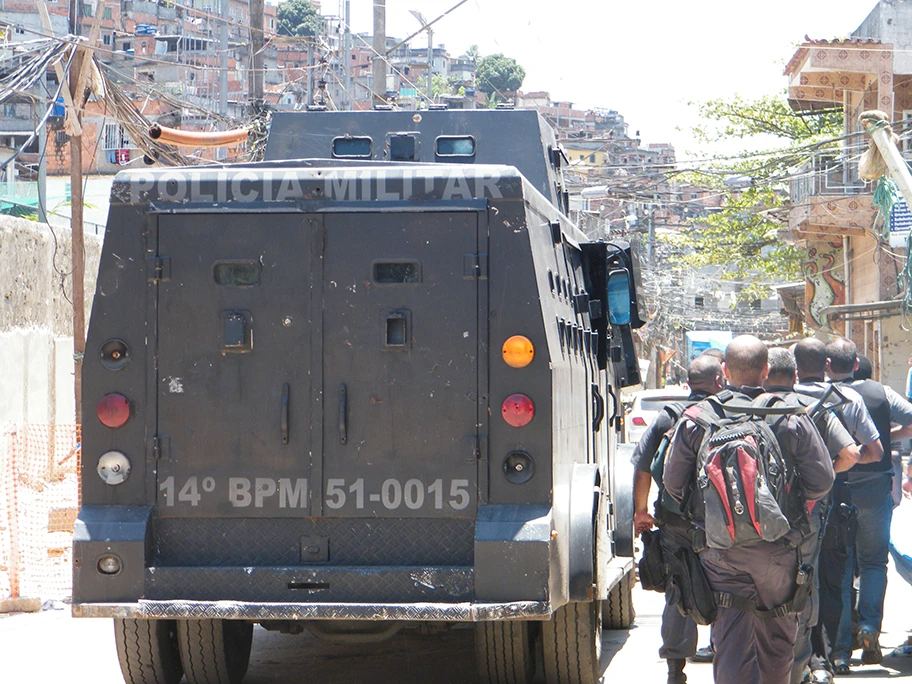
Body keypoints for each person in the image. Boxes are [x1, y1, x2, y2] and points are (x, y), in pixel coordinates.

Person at [664, 335, 835, 684]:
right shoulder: (791, 415)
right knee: (777, 637)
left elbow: (673, 484)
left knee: (730, 638)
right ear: (766, 371)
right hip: (780, 549)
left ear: (724, 372)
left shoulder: (698, 417)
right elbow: (822, 481)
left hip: (720, 549)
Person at [764, 348, 860, 684]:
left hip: (753, 518)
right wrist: (821, 481)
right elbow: (851, 454)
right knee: (807, 586)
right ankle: (807, 664)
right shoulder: (809, 411)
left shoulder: (744, 410)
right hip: (805, 514)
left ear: (763, 374)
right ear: (794, 377)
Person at [632, 354, 725, 684]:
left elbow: (643, 467)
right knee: (727, 588)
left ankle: (675, 670)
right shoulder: (729, 413)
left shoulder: (669, 416)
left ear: (688, 384)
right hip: (722, 523)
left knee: (678, 588)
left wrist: (641, 511)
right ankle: (725, 663)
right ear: (720, 380)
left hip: (674, 520)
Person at [792, 337, 882, 675]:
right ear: (826, 365)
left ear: (795, 365)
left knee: (791, 577)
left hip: (786, 506)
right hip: (835, 499)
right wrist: (830, 470)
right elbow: (872, 453)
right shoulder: (847, 398)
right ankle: (830, 659)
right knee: (834, 580)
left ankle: (795, 657)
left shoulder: (781, 399)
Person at [825, 337, 912, 670]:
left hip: (838, 492)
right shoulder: (881, 393)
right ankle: (870, 627)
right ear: (857, 364)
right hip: (874, 490)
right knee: (874, 562)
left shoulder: (820, 393)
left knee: (842, 568)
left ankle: (841, 649)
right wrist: (888, 436)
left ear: (828, 365)